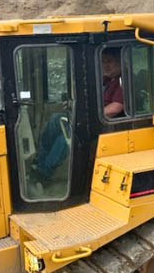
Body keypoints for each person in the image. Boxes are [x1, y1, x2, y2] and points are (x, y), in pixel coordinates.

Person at [33, 48, 124, 181]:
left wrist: (88, 113)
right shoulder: (106, 80)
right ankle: (39, 161)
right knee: (54, 120)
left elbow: (115, 108)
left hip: (105, 123)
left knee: (68, 135)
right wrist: (74, 105)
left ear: (120, 62)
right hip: (92, 118)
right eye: (103, 61)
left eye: (109, 61)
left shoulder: (122, 82)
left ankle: (44, 173)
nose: (106, 65)